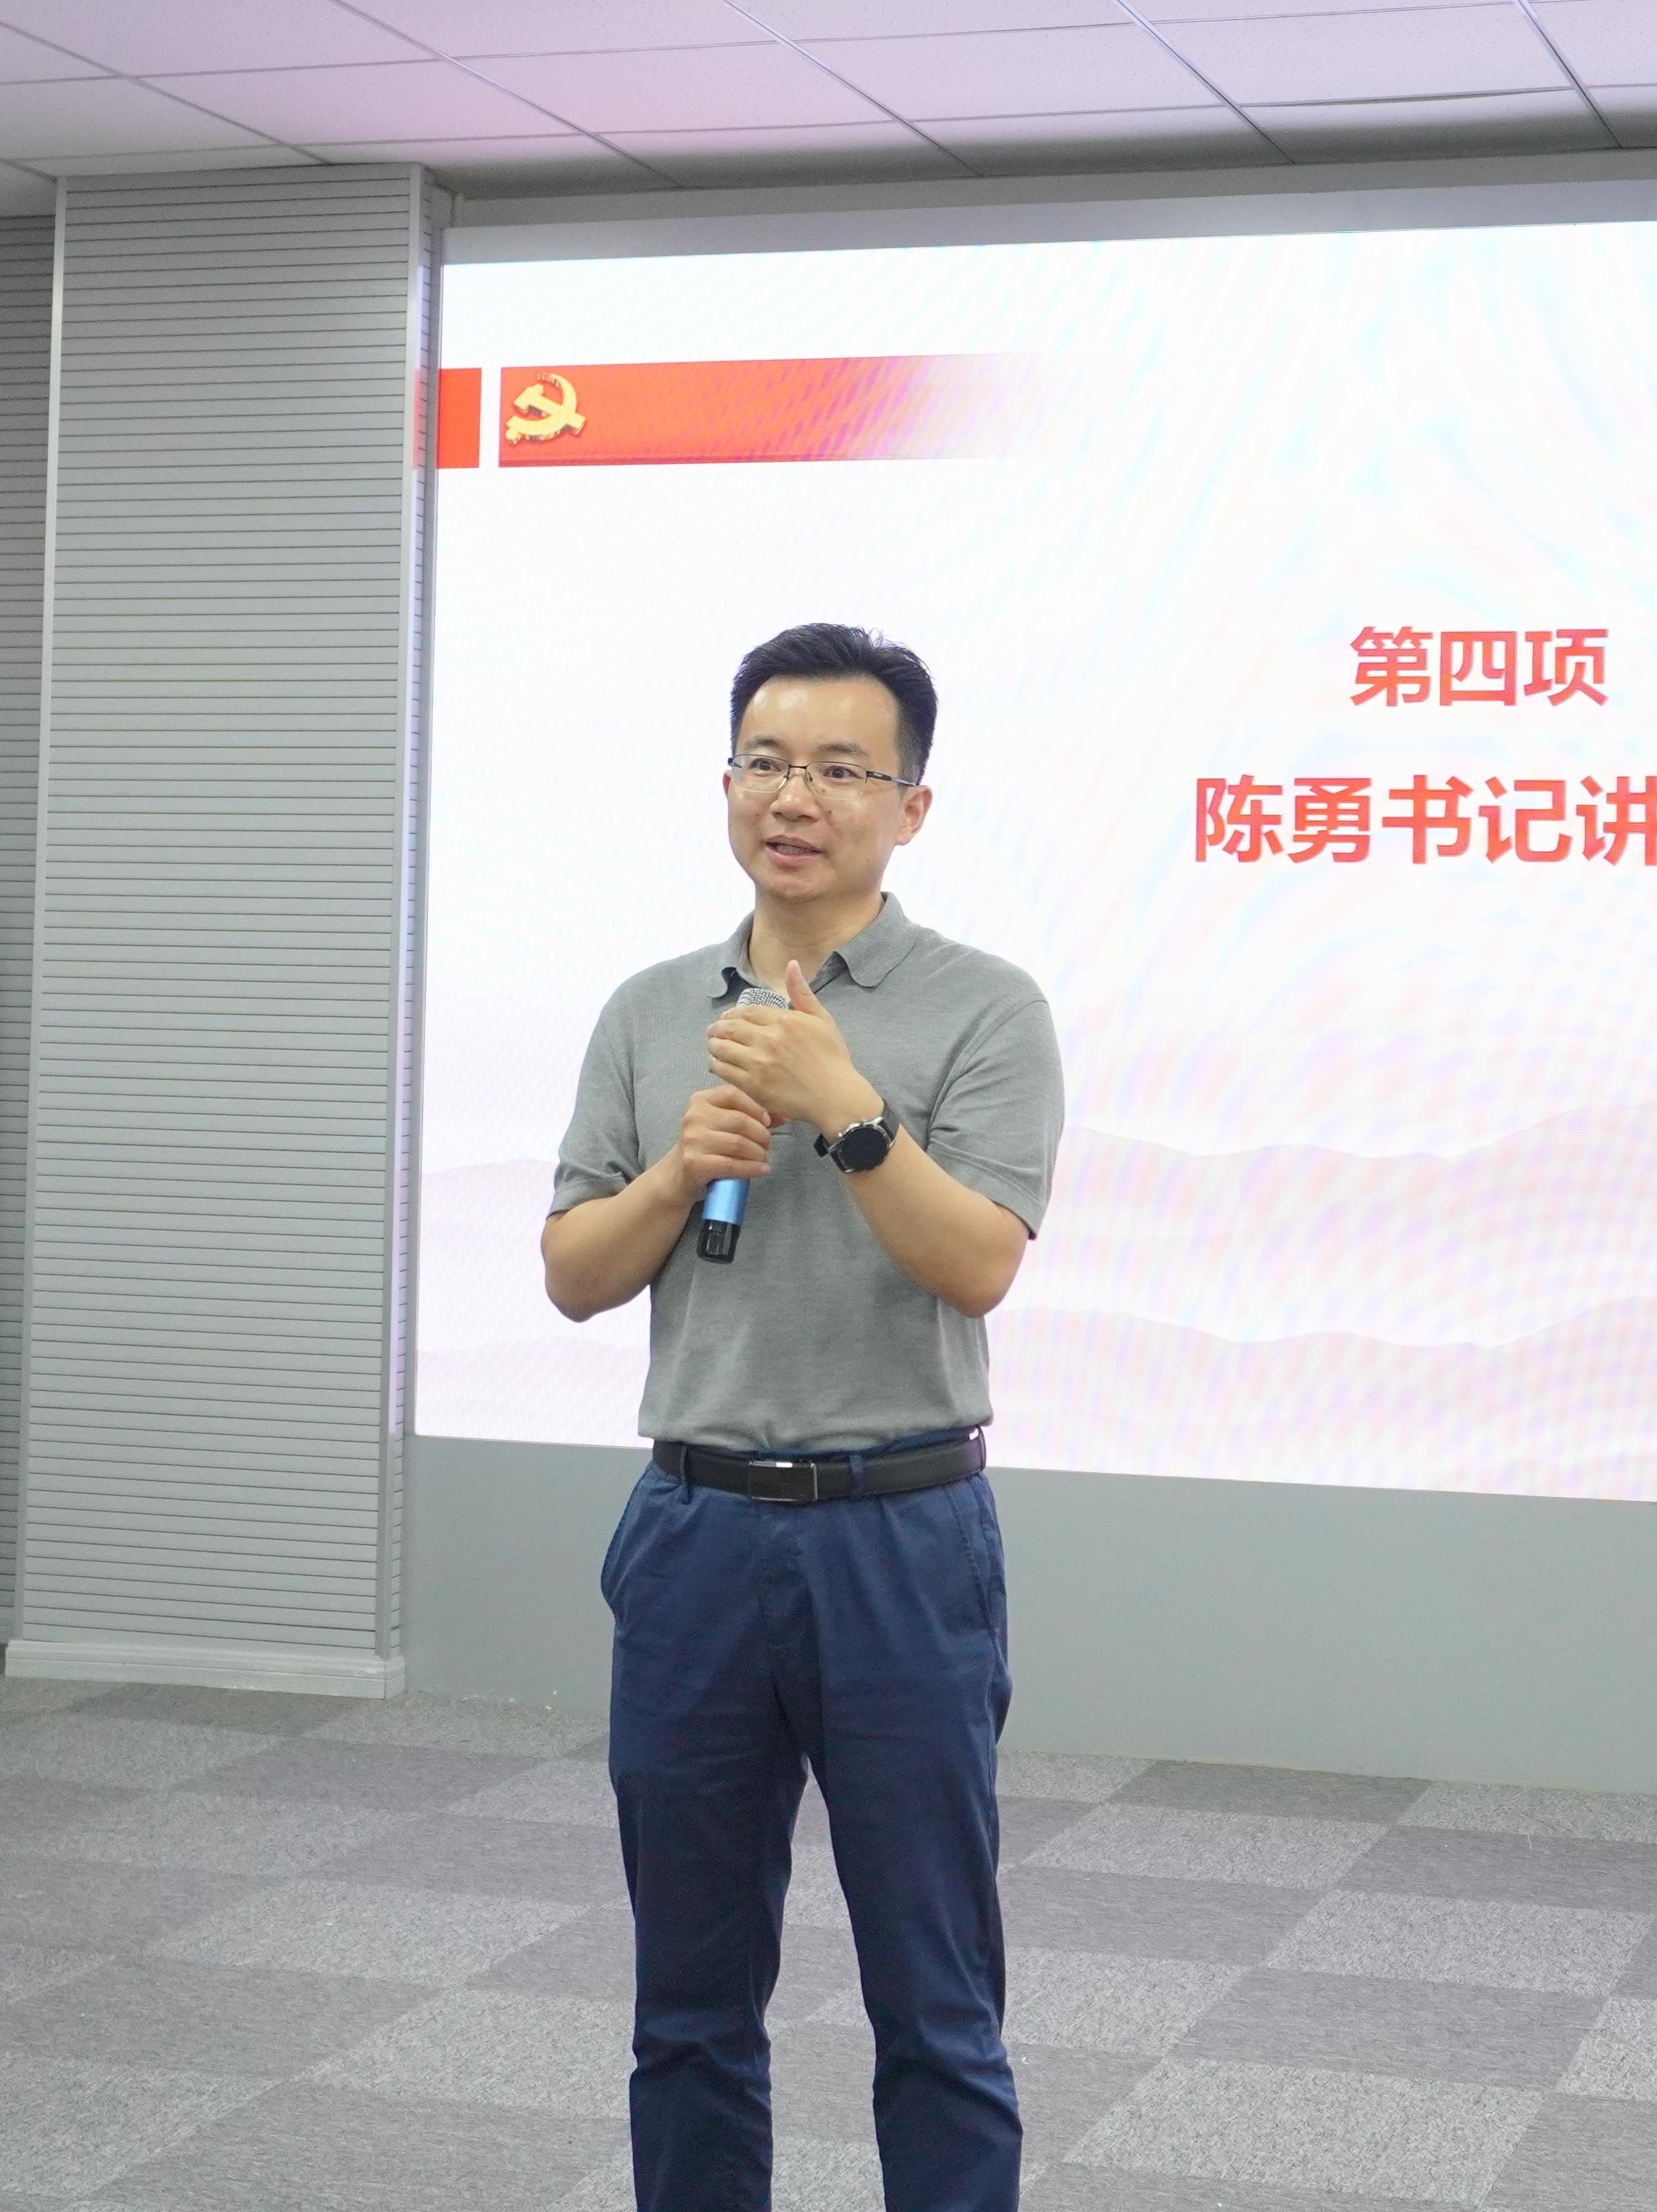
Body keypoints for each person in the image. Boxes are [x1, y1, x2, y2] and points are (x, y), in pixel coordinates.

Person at [542, 621, 1063, 2212]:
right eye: (767, 761)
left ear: (911, 807)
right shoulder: (650, 1009)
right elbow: (574, 1274)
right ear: (726, 784)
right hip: (694, 1531)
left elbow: (978, 1263)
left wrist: (846, 1108)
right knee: (688, 2004)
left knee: (935, 1998)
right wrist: (674, 1174)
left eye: (843, 768)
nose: (797, 796)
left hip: (899, 1535)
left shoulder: (985, 1008)